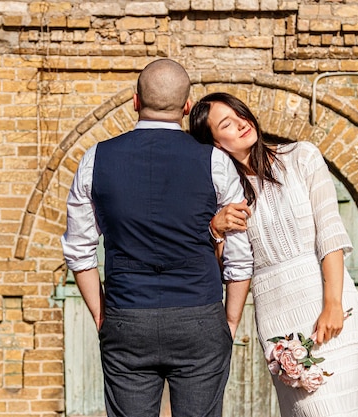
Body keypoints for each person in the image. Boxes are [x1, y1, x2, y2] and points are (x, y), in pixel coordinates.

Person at [61, 61, 253, 417]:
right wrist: (228, 323)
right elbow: (239, 256)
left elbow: (79, 252)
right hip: (200, 318)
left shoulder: (94, 160)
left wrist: (103, 317)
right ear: (185, 106)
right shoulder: (215, 161)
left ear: (135, 102)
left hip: (127, 318)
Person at [189, 92, 358, 417]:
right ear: (216, 144)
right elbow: (225, 269)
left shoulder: (303, 156)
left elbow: (330, 233)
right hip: (279, 318)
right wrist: (216, 229)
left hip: (330, 302)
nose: (241, 123)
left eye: (239, 114)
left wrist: (332, 303)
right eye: (227, 124)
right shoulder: (222, 194)